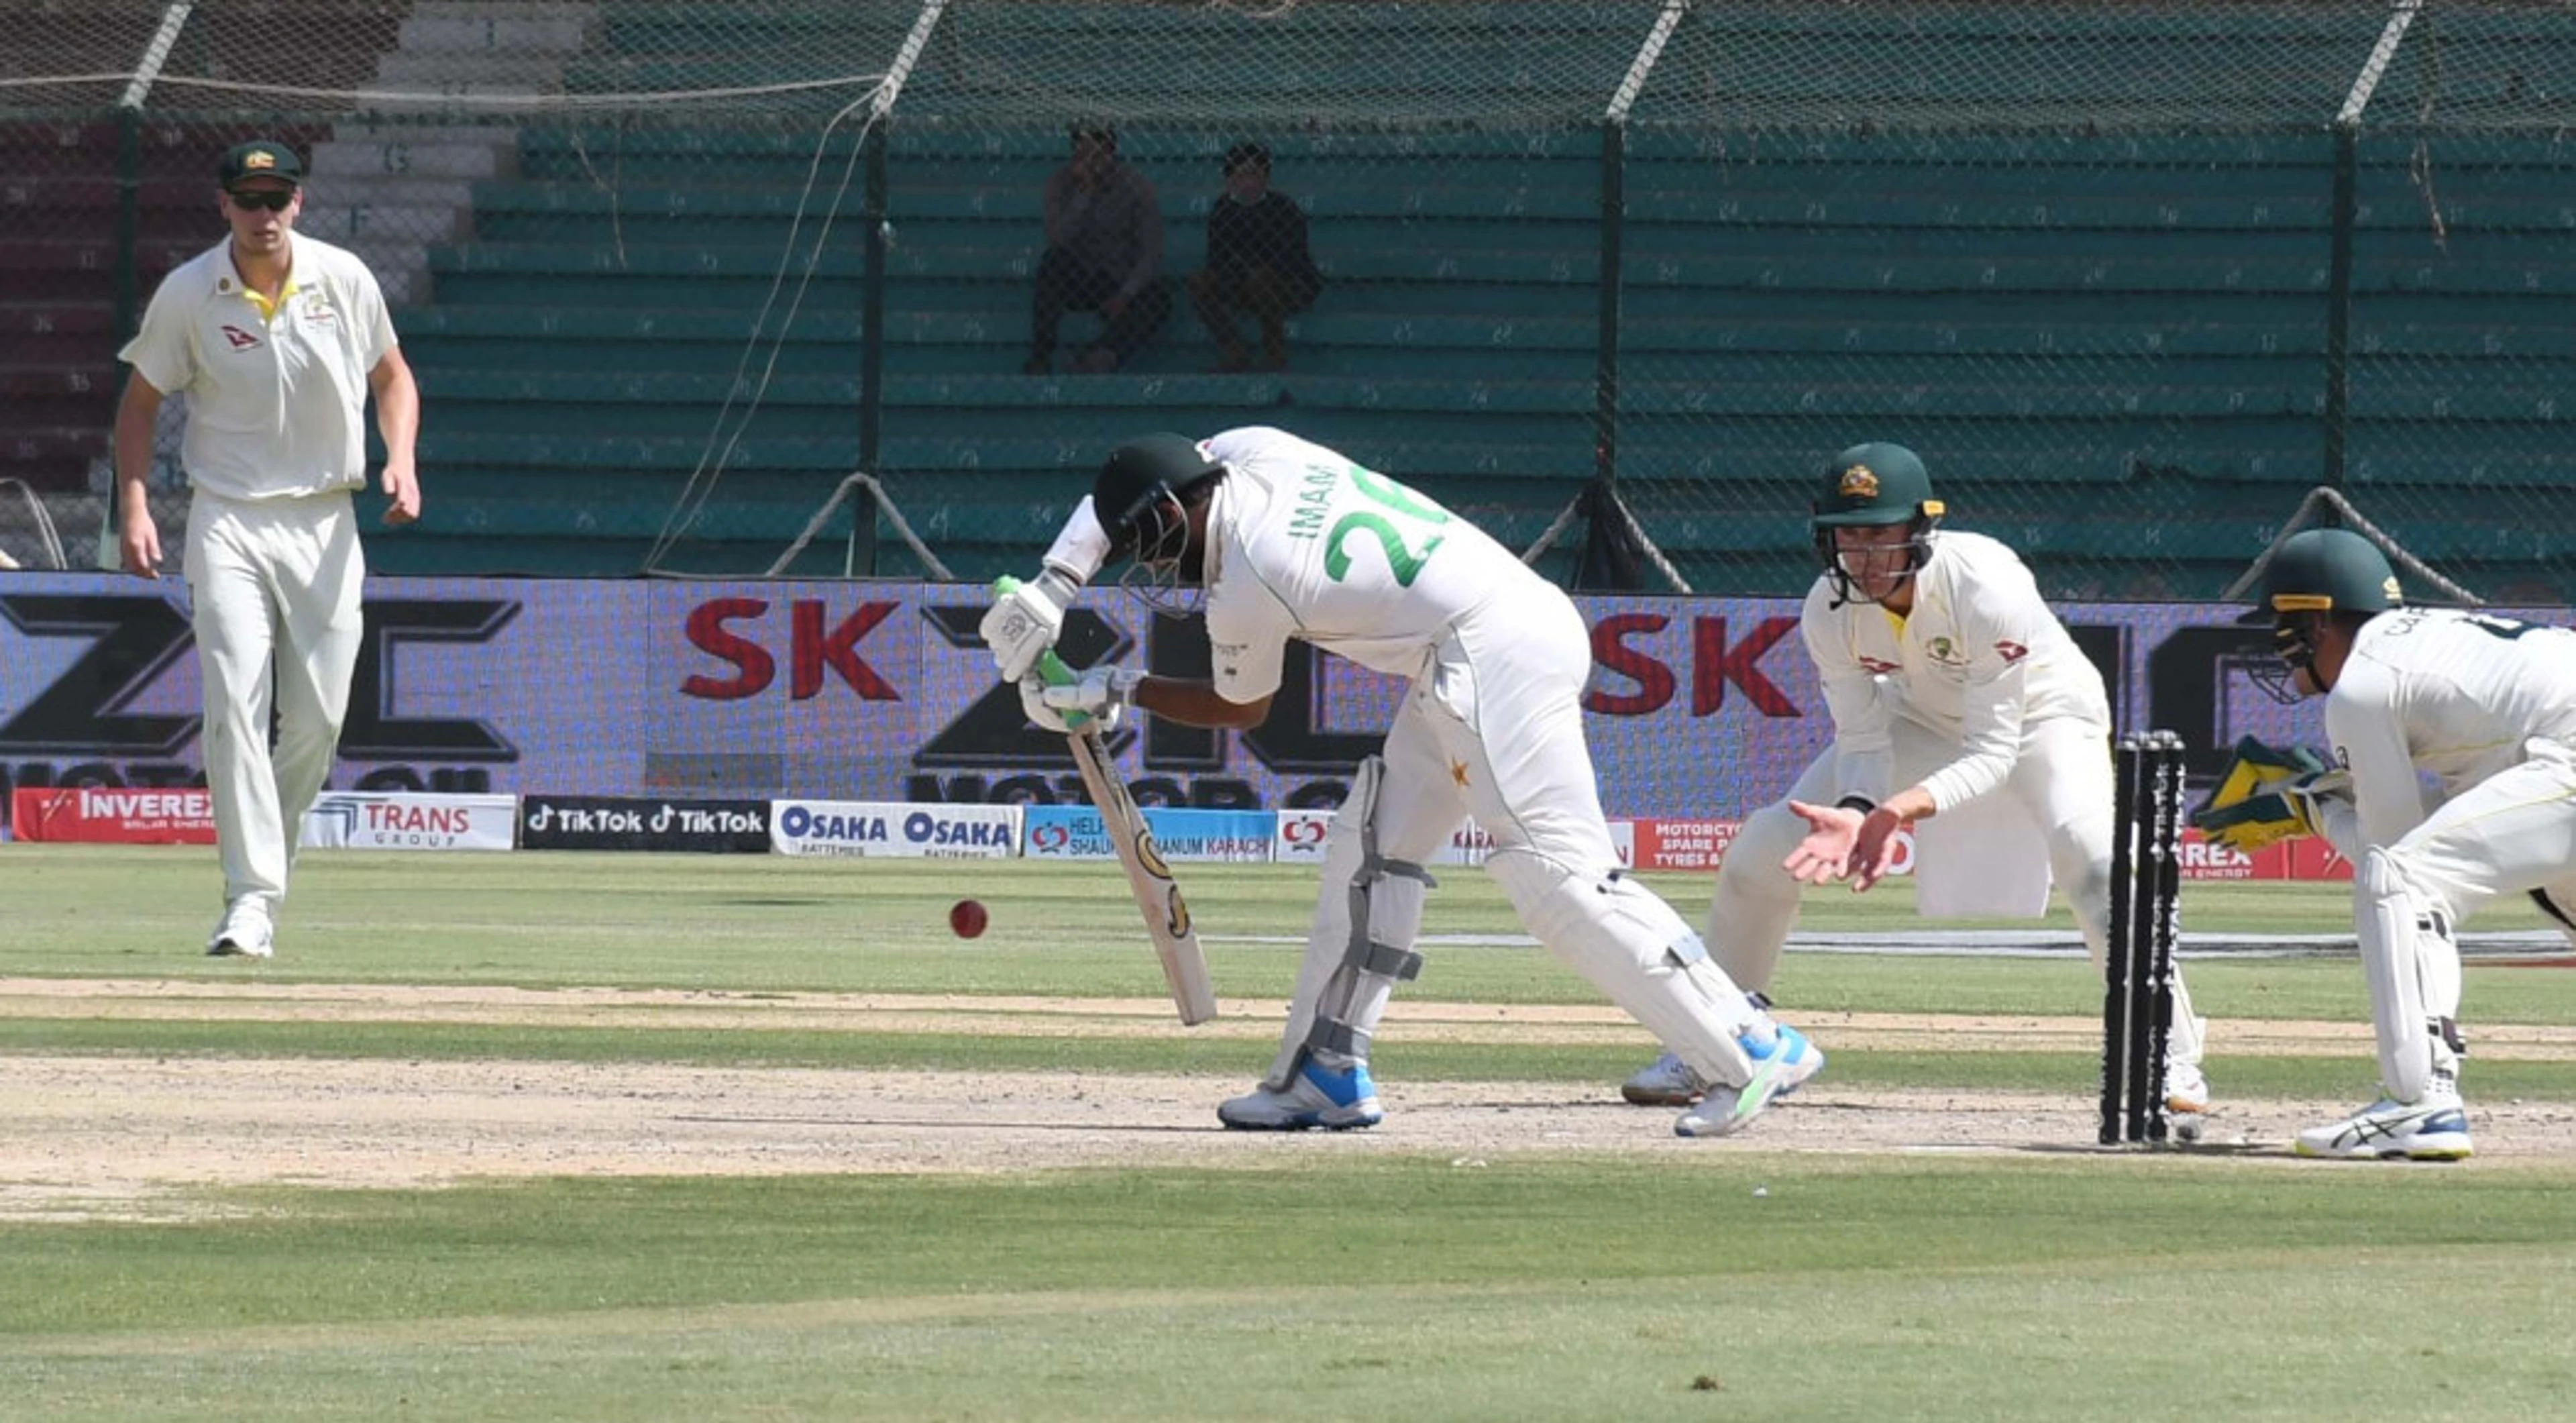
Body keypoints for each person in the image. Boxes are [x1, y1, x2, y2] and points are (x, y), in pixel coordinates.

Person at [979, 427, 1820, 1137]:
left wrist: (1110, 688)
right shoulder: (1250, 449)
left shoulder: (1250, 581)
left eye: (1152, 544)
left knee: (1559, 878)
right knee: (1371, 851)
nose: (1156, 565)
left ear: (1172, 512)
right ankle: (1324, 1073)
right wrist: (1056, 585)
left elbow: (1242, 708)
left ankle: (1742, 1048)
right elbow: (1115, 497)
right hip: (1477, 637)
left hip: (1490, 655)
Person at [1617, 443, 2214, 1119]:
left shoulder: (1987, 585)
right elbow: (1866, 738)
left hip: (2044, 718)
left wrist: (1894, 810)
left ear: (1920, 530)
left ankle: (2167, 1053)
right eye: (1848, 535)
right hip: (1920, 718)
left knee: (2095, 858)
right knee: (1762, 851)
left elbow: (1994, 750)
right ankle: (1719, 1043)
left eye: (1880, 535)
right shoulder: (1828, 610)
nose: (1863, 556)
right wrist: (1852, 808)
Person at [111, 138, 421, 957]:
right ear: (224, 206)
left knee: (317, 717)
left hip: (325, 518)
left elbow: (393, 378)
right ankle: (251, 899)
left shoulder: (343, 278)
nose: (264, 214)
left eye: (277, 198)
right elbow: (139, 404)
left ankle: (264, 868)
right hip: (228, 519)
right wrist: (136, 507)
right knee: (235, 703)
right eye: (248, 200)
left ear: (298, 203)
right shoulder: (190, 291)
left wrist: (402, 460)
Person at [2197, 528, 2576, 1160]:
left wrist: (2313, 808)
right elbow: (2456, 826)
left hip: (2564, 758)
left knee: (2403, 883)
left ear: (2317, 620)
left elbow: (2392, 854)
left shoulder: (2363, 684)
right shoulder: (2439, 649)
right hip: (2557, 752)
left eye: (2283, 627)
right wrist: (2322, 796)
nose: (2280, 648)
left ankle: (2420, 1103)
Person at [1025, 121, 1170, 376]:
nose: (1092, 162)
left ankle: (1101, 355)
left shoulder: (1136, 186)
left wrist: (1127, 292)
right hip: (1079, 275)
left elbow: (1152, 249)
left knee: (1160, 297)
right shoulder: (1060, 184)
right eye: (1083, 155)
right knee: (1052, 261)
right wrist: (1085, 194)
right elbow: (1058, 238)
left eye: (1098, 154)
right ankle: (1041, 356)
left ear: (1112, 153)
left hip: (1118, 277)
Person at [1187, 142, 1322, 372]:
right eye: (1239, 175)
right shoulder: (1223, 210)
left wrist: (1251, 268)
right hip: (1239, 282)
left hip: (1285, 284)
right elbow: (1217, 259)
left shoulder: (1283, 208)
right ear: (1229, 180)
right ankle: (1233, 347)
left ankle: (1274, 350)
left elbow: (1291, 259)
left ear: (1265, 178)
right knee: (1199, 282)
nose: (1246, 182)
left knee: (1262, 279)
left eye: (1253, 174)